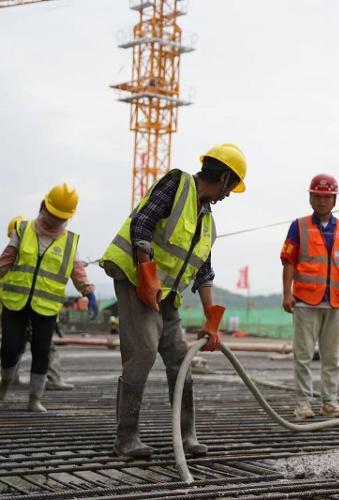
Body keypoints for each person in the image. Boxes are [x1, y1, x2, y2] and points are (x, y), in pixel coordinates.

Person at [99, 143, 246, 458]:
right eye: (231, 186)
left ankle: (186, 435)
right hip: (136, 278)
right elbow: (142, 223)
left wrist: (211, 321)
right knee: (143, 351)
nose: (229, 195)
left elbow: (203, 272)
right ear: (223, 178)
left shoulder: (207, 221)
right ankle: (126, 439)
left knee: (180, 358)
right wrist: (146, 273)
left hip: (166, 295)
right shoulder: (177, 183)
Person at [0, 185, 96, 412]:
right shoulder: (23, 230)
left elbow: (77, 271)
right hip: (16, 303)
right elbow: (5, 261)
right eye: (52, 215)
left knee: (41, 351)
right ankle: (5, 382)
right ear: (43, 207)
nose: (54, 221)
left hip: (46, 307)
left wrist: (89, 293)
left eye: (60, 218)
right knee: (9, 348)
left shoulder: (70, 241)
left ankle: (35, 399)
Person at [280, 174, 339, 420]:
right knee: (303, 355)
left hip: (336, 301)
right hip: (305, 301)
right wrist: (287, 293)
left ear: (334, 199)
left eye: (326, 197)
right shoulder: (299, 226)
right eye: (317, 196)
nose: (321, 201)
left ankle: (329, 402)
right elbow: (289, 261)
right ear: (310, 197)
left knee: (332, 357)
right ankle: (303, 403)